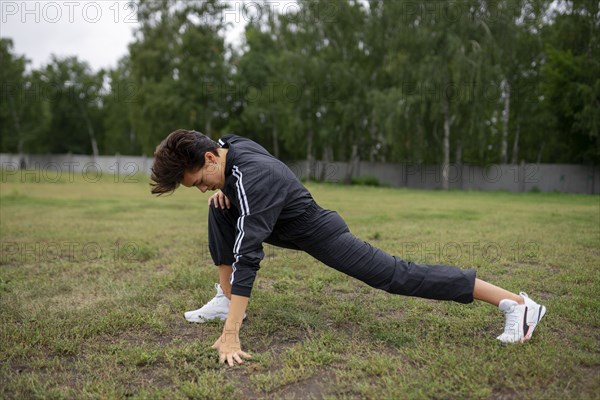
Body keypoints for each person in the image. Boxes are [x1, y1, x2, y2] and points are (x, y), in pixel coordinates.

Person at [150, 129, 547, 366]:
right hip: (285, 222)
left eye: (199, 179)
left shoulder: (253, 178)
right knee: (218, 207)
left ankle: (516, 304)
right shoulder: (228, 146)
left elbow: (249, 256)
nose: (201, 186)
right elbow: (230, 194)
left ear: (208, 157)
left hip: (321, 233)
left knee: (394, 275)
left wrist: (231, 334)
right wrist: (220, 193)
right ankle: (224, 297)